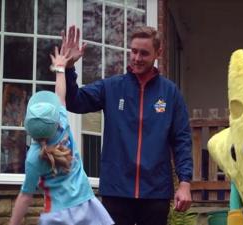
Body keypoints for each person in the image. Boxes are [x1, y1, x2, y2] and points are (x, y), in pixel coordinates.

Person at [61, 25, 193, 225]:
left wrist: (185, 183)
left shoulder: (170, 93)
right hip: (116, 190)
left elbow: (182, 140)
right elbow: (74, 101)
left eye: (144, 53)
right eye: (134, 51)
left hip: (155, 193)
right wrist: (69, 69)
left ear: (158, 53)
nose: (137, 58)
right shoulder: (112, 87)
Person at [9, 46, 114, 225]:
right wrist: (60, 67)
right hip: (86, 207)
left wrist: (13, 223)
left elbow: (25, 196)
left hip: (57, 215)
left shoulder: (33, 157)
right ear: (56, 120)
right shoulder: (63, 125)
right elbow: (61, 94)